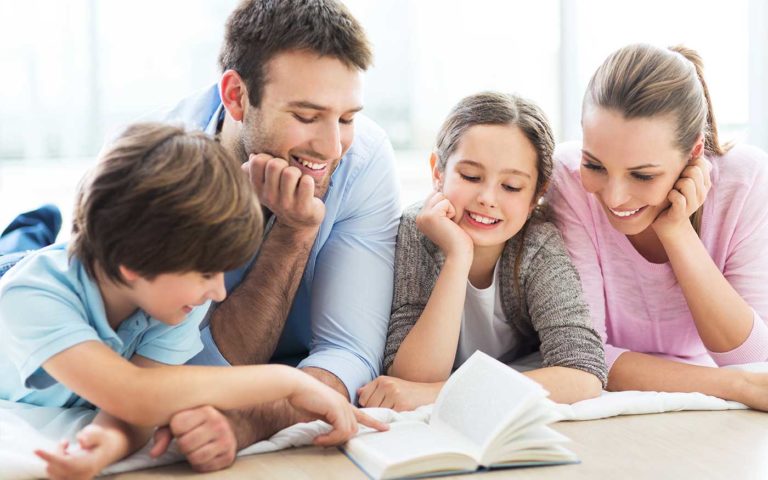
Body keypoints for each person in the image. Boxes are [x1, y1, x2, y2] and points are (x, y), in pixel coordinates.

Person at [0, 123, 386, 480]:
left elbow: (137, 410)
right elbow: (133, 392)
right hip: (15, 274)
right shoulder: (31, 297)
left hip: (91, 264)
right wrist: (286, 381)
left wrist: (106, 443)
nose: (219, 293)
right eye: (205, 274)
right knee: (19, 247)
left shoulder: (169, 303)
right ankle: (31, 226)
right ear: (133, 263)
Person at [144, 0, 401, 470]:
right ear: (237, 97)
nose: (331, 147)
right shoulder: (156, 168)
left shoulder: (362, 156)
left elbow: (349, 351)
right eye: (306, 116)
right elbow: (192, 372)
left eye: (345, 118)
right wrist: (293, 234)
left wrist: (251, 421)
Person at [547, 43, 768, 410]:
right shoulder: (568, 177)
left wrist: (677, 232)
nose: (615, 197)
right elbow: (583, 355)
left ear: (694, 153)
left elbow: (755, 357)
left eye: (643, 175)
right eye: (596, 165)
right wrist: (736, 386)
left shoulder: (747, 181)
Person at [357, 92, 607, 412]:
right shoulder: (417, 231)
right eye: (471, 177)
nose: (487, 198)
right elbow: (412, 378)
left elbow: (583, 372)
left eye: (512, 186)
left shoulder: (538, 246)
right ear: (438, 171)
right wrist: (458, 257)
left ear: (536, 195)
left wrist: (442, 393)